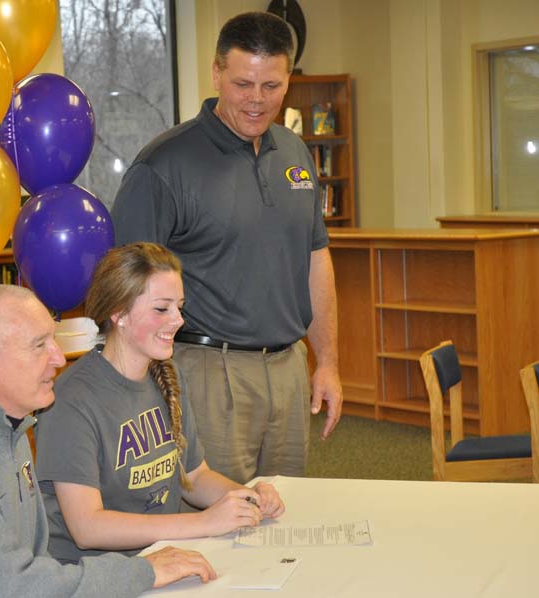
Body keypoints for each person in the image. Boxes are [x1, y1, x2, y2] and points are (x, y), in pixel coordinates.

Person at [0, 284, 218, 597]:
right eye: (39, 345)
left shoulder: (4, 427)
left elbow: (27, 563)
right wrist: (144, 572)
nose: (58, 359)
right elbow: (11, 589)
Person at [111, 11, 343, 484]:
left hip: (288, 367)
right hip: (206, 372)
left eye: (271, 86)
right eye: (242, 84)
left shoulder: (296, 154)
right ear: (216, 73)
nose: (256, 101)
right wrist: (136, 394)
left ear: (288, 81)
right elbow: (126, 290)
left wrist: (329, 362)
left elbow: (316, 261)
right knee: (218, 524)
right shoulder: (163, 165)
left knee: (285, 518)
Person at [36, 243, 284, 562]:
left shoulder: (167, 374)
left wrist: (246, 498)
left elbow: (194, 476)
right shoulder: (72, 400)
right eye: (162, 308)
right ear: (119, 313)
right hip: (95, 574)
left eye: (179, 307)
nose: (178, 320)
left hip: (161, 557)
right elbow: (87, 528)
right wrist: (203, 522)